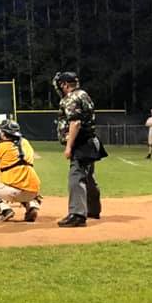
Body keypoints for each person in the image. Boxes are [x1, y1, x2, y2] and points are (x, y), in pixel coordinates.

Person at [54, 71, 106, 227]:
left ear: (65, 84)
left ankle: (77, 214)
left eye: (60, 84)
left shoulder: (72, 98)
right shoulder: (83, 94)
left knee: (76, 177)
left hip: (81, 143)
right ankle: (93, 209)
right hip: (90, 141)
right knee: (88, 177)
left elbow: (75, 122)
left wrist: (69, 146)